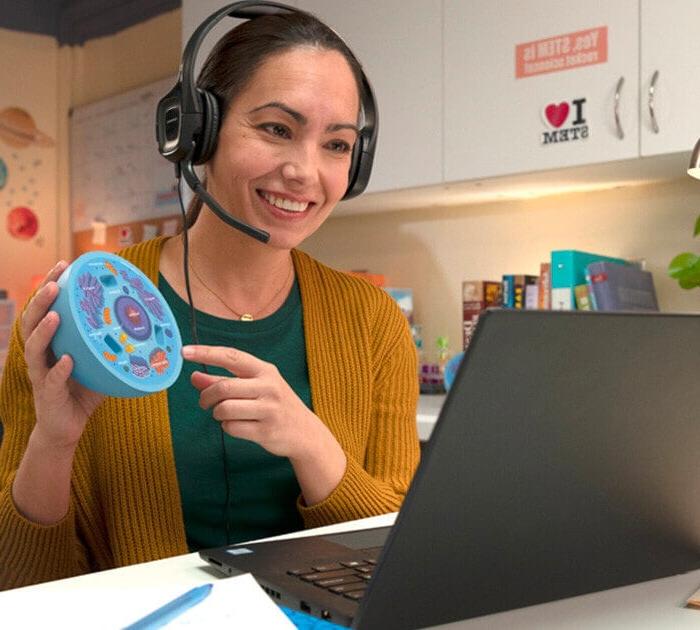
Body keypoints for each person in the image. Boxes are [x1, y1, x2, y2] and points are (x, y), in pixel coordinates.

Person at [0, 9, 420, 590]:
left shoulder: (373, 322)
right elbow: (22, 585)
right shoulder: (78, 313)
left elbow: (404, 565)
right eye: (276, 129)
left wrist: (312, 446)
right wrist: (54, 441)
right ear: (197, 130)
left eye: (337, 144)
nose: (304, 171)